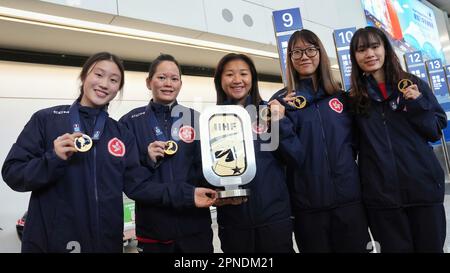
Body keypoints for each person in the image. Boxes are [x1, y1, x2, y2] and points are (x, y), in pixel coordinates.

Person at [1, 52, 216, 253]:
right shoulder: (47, 120)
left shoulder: (120, 132)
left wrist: (189, 194)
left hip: (106, 242)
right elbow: (12, 173)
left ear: (118, 89)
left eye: (113, 80)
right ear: (84, 76)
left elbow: (136, 184)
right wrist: (53, 159)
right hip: (53, 241)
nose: (104, 84)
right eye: (99, 75)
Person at [348, 26, 447, 252]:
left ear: (385, 48)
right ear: (354, 57)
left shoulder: (413, 84)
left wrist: (417, 104)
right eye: (362, 49)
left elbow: (435, 129)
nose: (369, 54)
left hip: (423, 190)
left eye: (375, 46)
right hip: (381, 199)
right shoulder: (355, 98)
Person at [270, 29, 370, 252]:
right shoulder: (280, 102)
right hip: (308, 208)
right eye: (297, 52)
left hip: (350, 203)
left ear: (320, 53)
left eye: (310, 49)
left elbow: (355, 145)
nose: (304, 56)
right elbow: (281, 156)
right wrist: (278, 120)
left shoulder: (342, 98)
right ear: (290, 58)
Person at [119, 54, 217, 253]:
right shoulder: (129, 123)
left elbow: (208, 171)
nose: (168, 84)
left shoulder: (197, 120)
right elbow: (130, 183)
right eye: (162, 77)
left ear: (181, 83)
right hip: (154, 232)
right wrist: (146, 160)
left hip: (195, 229)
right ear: (149, 82)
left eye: (174, 79)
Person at [213, 53, 296, 253]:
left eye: (243, 73)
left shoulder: (270, 112)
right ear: (220, 81)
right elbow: (207, 169)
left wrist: (279, 123)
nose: (237, 80)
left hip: (274, 220)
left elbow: (295, 157)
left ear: (253, 78)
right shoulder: (213, 120)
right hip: (234, 223)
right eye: (229, 74)